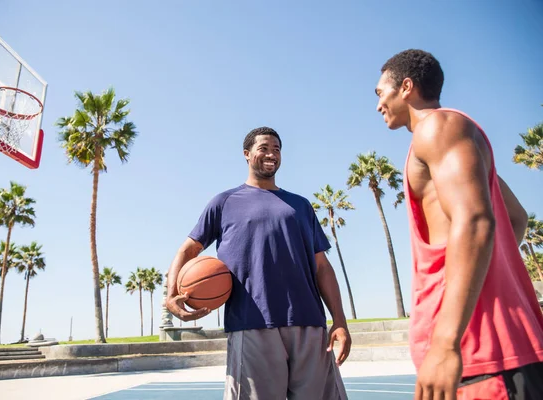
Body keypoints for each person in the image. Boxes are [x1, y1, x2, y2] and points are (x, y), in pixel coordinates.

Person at [375, 49, 543, 399]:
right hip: (485, 355)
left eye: (381, 93)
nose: (379, 104)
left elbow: (476, 221)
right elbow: (515, 217)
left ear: (406, 87)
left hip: (480, 355)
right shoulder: (445, 137)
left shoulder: (439, 126)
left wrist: (445, 341)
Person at [165, 127, 350, 400]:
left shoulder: (300, 206)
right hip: (251, 323)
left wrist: (340, 321)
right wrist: (171, 295)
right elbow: (188, 249)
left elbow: (322, 266)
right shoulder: (224, 202)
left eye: (277, 149)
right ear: (247, 154)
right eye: (264, 147)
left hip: (309, 323)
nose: (271, 154)